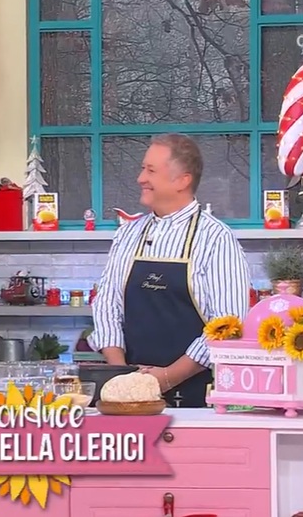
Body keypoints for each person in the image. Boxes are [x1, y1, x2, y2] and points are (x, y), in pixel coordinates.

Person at [90, 134, 251, 408]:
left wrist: (165, 378)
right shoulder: (128, 234)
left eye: (150, 170)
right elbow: (106, 306)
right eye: (143, 168)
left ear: (182, 180)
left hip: (196, 400)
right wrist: (122, 376)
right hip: (130, 398)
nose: (140, 178)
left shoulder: (216, 238)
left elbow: (228, 324)